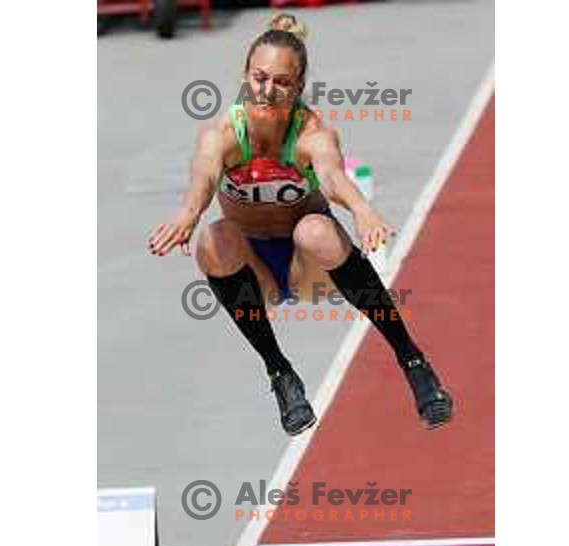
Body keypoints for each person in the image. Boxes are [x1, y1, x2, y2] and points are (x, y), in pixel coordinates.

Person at [148, 14, 453, 436]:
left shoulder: (312, 134)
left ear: (299, 86)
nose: (267, 91)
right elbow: (203, 177)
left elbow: (332, 178)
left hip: (309, 266)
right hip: (256, 270)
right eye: (259, 78)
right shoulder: (221, 134)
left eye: (281, 82)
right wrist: (188, 213)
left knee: (314, 229)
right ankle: (280, 373)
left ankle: (412, 359)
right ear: (244, 74)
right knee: (213, 239)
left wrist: (362, 210)